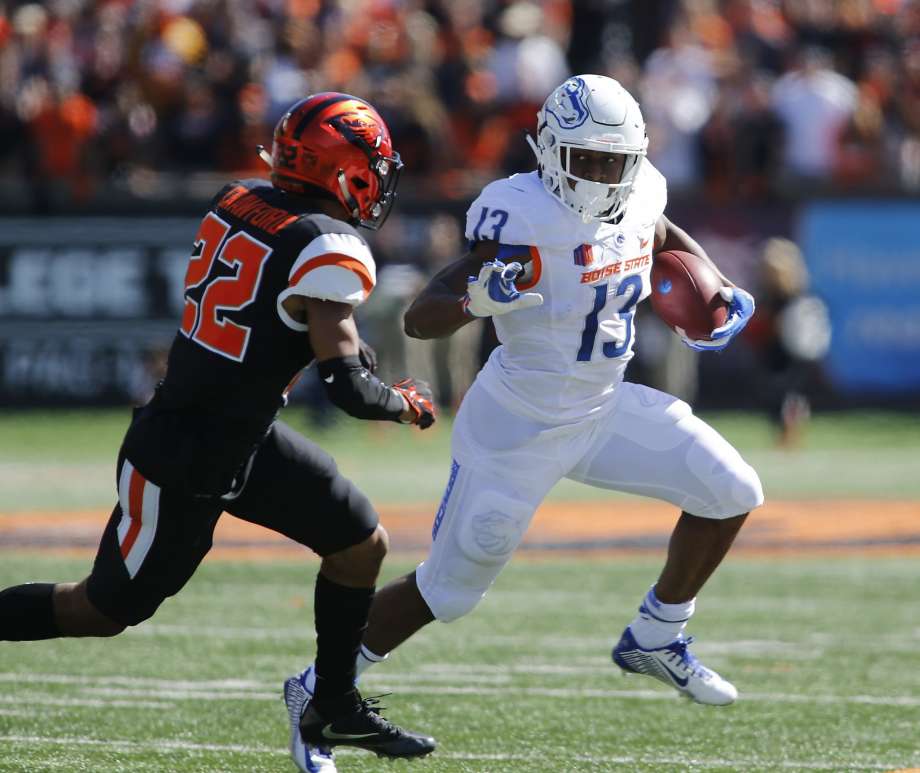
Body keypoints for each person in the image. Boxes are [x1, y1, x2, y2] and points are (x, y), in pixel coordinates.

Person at [293, 74, 764, 710]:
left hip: (604, 406)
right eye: (588, 160)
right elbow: (420, 316)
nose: (602, 176)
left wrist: (716, 282)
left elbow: (661, 233)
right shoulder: (520, 213)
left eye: (615, 162)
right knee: (450, 590)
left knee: (732, 490)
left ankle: (658, 635)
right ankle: (318, 684)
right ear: (549, 150)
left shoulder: (643, 189)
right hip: (519, 422)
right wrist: (472, 299)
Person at [0, 92, 439, 772]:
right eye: (372, 167)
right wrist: (405, 402)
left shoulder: (239, 199)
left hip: (243, 436)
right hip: (182, 455)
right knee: (104, 607)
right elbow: (347, 387)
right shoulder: (328, 245)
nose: (379, 184)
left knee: (359, 541)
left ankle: (332, 702)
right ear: (344, 169)